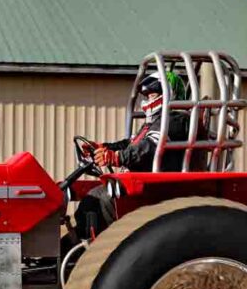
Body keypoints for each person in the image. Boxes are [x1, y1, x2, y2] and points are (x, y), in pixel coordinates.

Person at [75, 71, 192, 238]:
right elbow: (132, 143)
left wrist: (117, 157)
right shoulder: (155, 122)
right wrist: (104, 147)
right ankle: (80, 243)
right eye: (148, 95)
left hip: (155, 187)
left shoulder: (174, 120)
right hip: (142, 182)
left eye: (153, 95)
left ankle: (108, 246)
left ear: (170, 93)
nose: (149, 99)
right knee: (91, 201)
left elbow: (149, 147)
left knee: (104, 201)